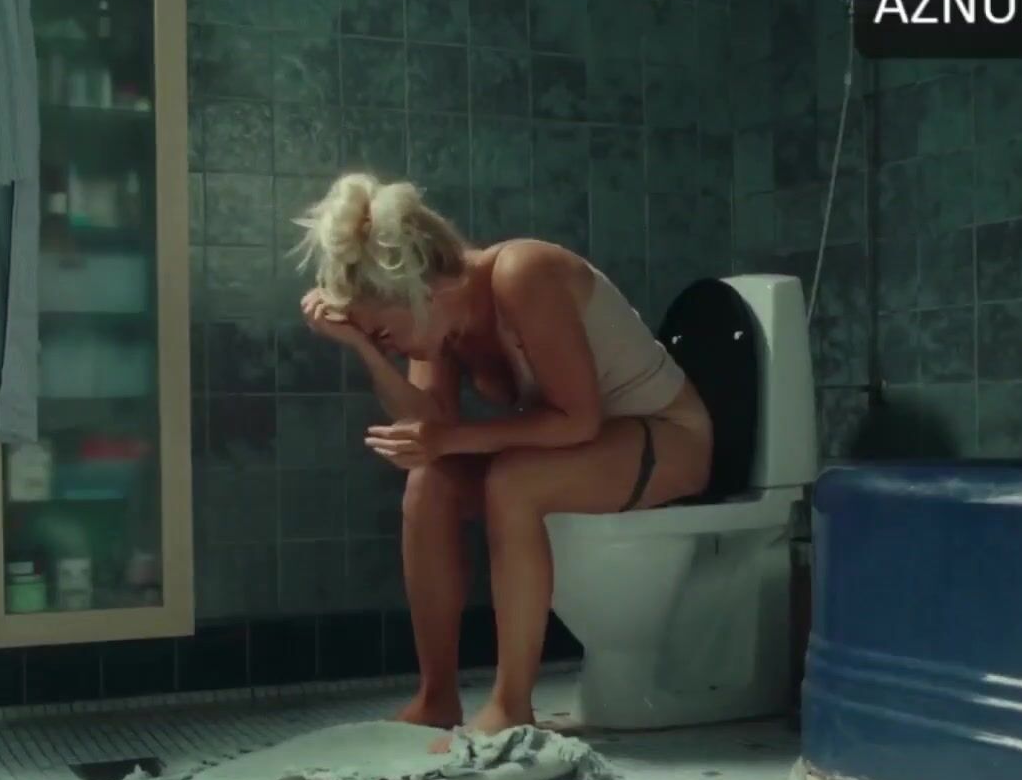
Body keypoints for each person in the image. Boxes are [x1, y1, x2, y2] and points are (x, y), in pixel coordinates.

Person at [291, 172, 715, 742]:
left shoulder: (522, 273)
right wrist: (365, 349)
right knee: (431, 483)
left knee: (515, 480)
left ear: (421, 290)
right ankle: (436, 697)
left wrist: (447, 439)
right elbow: (428, 427)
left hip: (670, 437)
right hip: (584, 451)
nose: (393, 346)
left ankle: (512, 705)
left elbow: (578, 418)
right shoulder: (441, 323)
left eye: (385, 334)